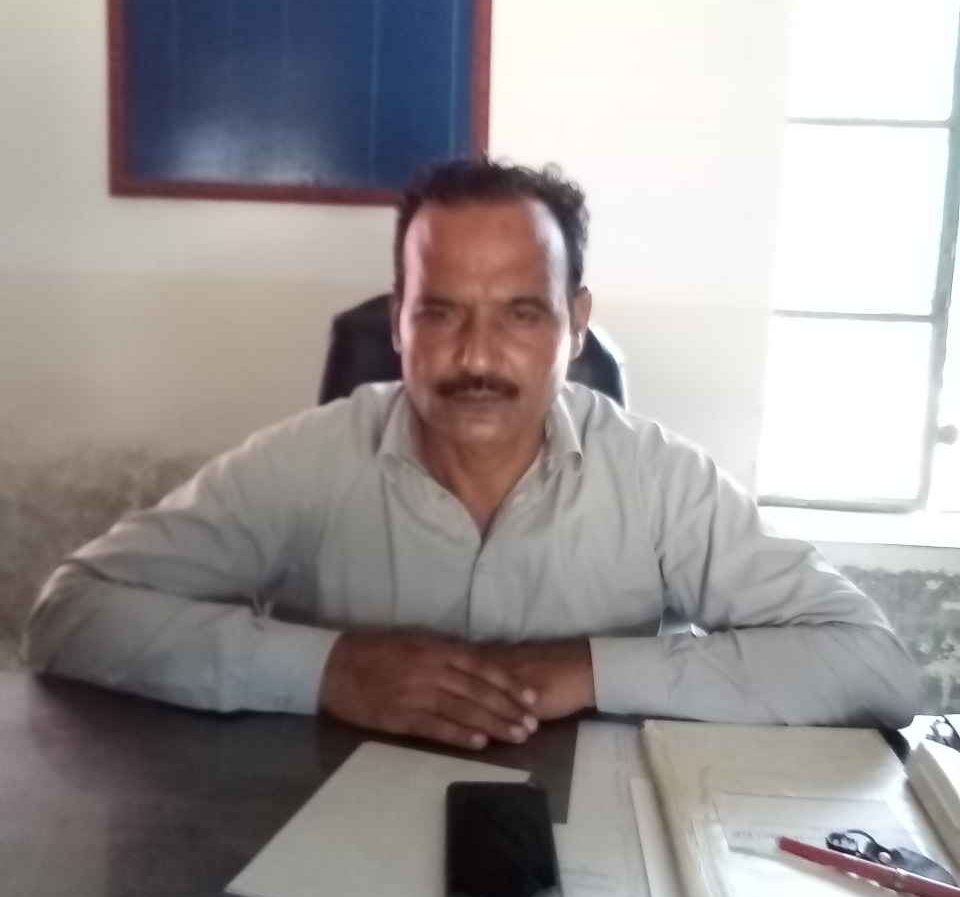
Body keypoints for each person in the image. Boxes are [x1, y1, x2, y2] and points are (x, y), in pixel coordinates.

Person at [26, 159, 920, 745]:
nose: (477, 358)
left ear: (576, 324)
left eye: (522, 314)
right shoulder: (311, 461)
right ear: (398, 323)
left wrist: (589, 670)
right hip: (326, 839)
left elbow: (871, 665)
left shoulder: (658, 480)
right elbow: (71, 614)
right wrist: (328, 669)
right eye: (441, 312)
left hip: (597, 859)